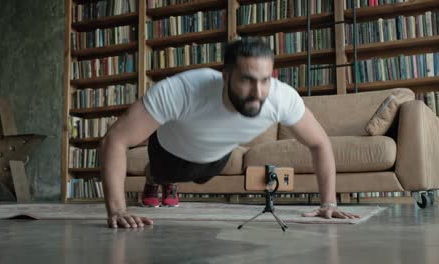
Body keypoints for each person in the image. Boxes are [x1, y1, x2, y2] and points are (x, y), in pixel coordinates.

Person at [101, 38, 360, 229]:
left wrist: (329, 204)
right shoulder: (183, 89)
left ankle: (173, 179)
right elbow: (116, 138)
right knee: (165, 173)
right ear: (225, 76)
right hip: (169, 150)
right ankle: (156, 178)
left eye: (265, 79)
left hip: (215, 158)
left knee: (201, 177)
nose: (258, 92)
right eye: (246, 80)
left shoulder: (282, 98)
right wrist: (117, 210)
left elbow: (320, 143)